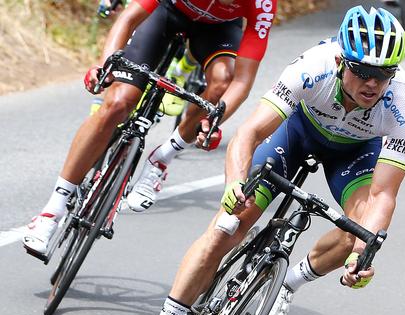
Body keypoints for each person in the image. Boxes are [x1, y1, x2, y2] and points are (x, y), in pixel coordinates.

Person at [124, 5, 405, 315]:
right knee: (225, 227)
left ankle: (287, 284)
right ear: (343, 62)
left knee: (356, 233)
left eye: (383, 74)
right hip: (296, 133)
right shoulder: (313, 67)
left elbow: (382, 194)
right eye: (362, 72)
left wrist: (364, 252)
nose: (373, 84)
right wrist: (235, 183)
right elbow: (248, 133)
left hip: (356, 151)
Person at [22, 0, 278, 261]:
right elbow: (128, 19)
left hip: (217, 30)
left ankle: (161, 158)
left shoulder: (263, 4)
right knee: (118, 104)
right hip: (166, 11)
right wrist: (106, 66)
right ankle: (51, 212)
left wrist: (215, 118)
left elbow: (243, 82)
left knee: (223, 80)